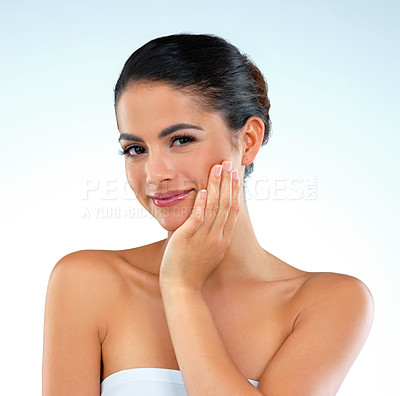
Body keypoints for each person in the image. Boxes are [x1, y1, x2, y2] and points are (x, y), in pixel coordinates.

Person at [42, 33, 374, 396]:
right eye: (135, 149)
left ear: (248, 141)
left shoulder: (328, 302)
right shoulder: (87, 282)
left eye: (181, 140)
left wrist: (181, 288)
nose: (155, 174)